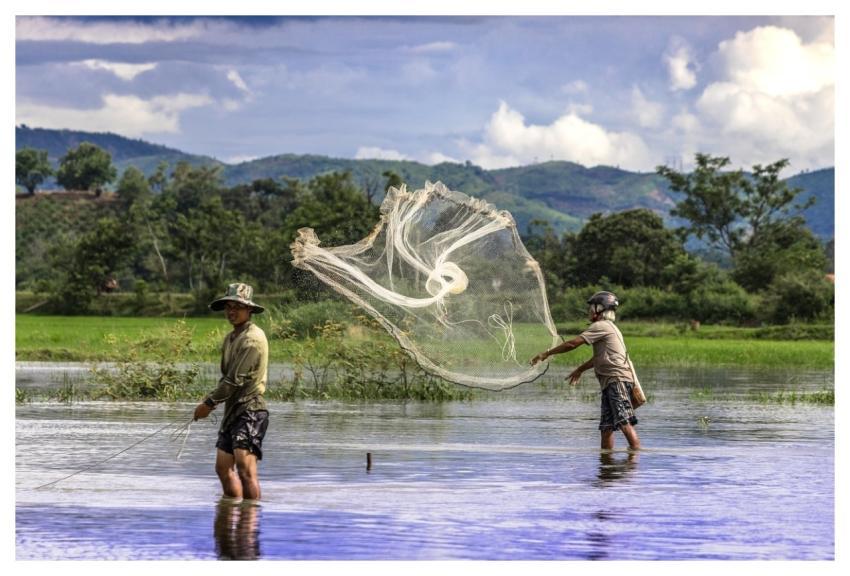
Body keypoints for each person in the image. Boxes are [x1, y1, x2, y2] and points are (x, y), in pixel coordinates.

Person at [530, 291, 640, 451]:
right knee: (606, 427)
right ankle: (606, 465)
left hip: (617, 380)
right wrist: (580, 369)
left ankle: (634, 463)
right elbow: (601, 358)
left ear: (600, 309)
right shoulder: (609, 327)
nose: (589, 311)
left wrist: (546, 354)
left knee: (624, 421)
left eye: (592, 307)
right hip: (611, 382)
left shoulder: (601, 326)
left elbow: (572, 344)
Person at [194, 283, 270, 500]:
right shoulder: (231, 338)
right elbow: (226, 378)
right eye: (228, 306)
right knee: (223, 468)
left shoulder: (252, 339)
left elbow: (234, 380)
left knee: (246, 471)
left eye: (237, 306)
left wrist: (208, 404)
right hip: (232, 411)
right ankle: (231, 516)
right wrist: (213, 402)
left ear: (249, 310)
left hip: (251, 410)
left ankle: (249, 521)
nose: (231, 311)